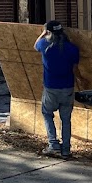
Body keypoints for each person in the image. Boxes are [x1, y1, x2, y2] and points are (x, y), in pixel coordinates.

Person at [34, 20, 80, 160]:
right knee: (66, 119)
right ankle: (66, 149)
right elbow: (75, 67)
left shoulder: (44, 45)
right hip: (68, 87)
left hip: (51, 87)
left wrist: (43, 33)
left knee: (47, 113)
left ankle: (53, 145)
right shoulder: (72, 48)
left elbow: (35, 45)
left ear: (48, 33)